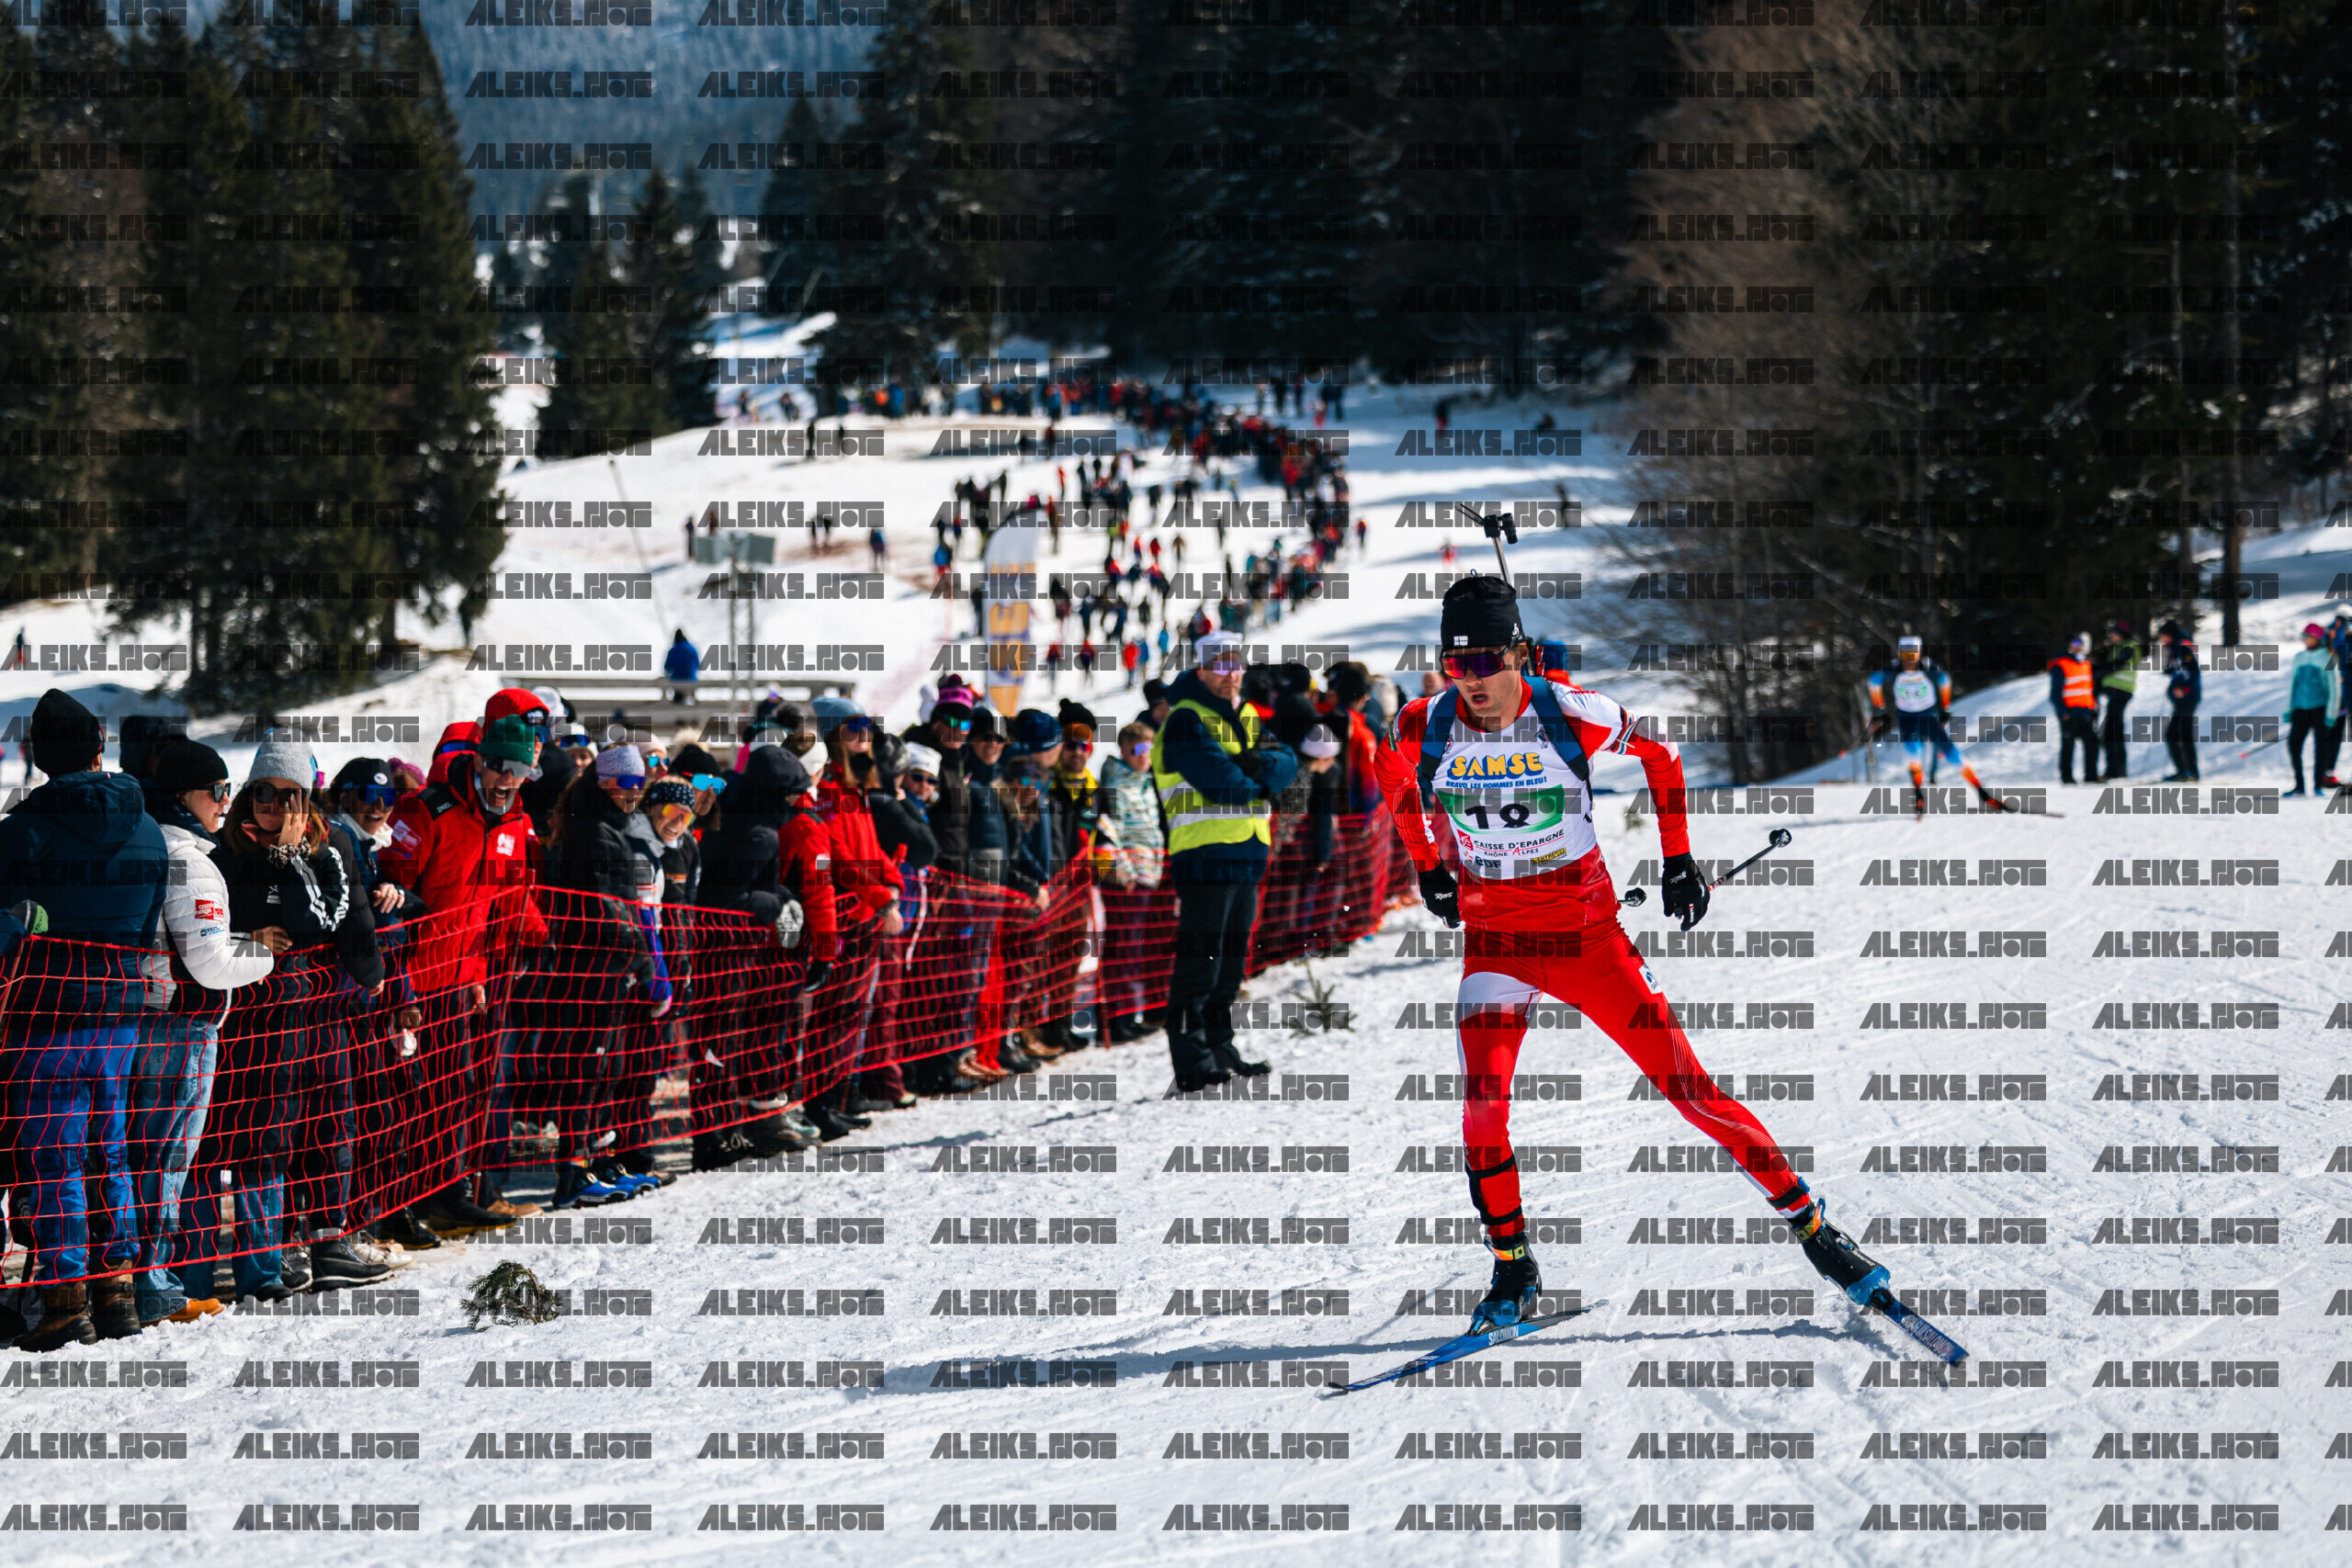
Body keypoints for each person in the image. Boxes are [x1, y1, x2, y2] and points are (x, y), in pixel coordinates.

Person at [1372, 574, 1885, 1336]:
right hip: (1497, 943)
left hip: (1588, 941)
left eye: (1486, 660)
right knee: (1482, 1108)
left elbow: (1662, 752)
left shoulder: (1565, 711)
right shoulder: (1425, 724)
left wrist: (1678, 859)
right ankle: (1513, 1266)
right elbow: (1388, 771)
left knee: (1689, 1089)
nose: (1472, 679)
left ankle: (1815, 1227)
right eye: (1456, 663)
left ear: (1520, 653)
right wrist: (1427, 864)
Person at [0, 689, 170, 1348]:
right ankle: (116, 1291)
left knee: (56, 1157)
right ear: (100, 748)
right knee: (110, 1149)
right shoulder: (148, 827)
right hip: (121, 1013)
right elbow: (150, 922)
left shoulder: (22, 831)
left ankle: (66, 1299)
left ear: (39, 754)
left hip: (45, 1019)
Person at [205, 739, 392, 1297]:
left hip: (323, 1010)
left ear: (306, 799)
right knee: (267, 1134)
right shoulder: (225, 851)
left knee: (333, 1125)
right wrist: (248, 936)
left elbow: (333, 919)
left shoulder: (330, 844)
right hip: (258, 1016)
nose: (275, 804)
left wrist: (370, 970)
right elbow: (209, 932)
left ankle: (330, 1242)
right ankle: (275, 1249)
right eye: (264, 791)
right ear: (248, 793)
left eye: (289, 795)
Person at [380, 714, 549, 1235]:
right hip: (410, 981)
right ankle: (395, 1204)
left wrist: (480, 971)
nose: (507, 778)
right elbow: (392, 896)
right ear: (478, 759)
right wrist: (399, 981)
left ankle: (446, 1194)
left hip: (459, 981)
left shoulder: (512, 825)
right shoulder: (428, 809)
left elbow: (493, 906)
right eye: (498, 765)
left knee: (456, 1089)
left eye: (519, 770)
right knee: (405, 1094)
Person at [130, 741, 275, 1325]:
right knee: (167, 1157)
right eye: (217, 790)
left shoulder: (143, 842)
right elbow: (211, 964)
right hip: (183, 1029)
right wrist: (261, 955)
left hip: (138, 1023)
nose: (225, 802)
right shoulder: (188, 861)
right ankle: (155, 1284)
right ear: (185, 795)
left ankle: (130, 1281)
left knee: (133, 1155)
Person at [1150, 632, 1299, 1091]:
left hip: (1246, 852)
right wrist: (1261, 776)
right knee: (1201, 963)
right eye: (1219, 664)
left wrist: (1258, 768)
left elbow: (1289, 763)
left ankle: (1220, 1046)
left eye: (1236, 663)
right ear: (1201, 670)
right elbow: (1222, 784)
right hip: (1204, 853)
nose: (1230, 673)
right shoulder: (1185, 718)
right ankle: (1192, 1060)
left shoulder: (1247, 714)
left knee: (1230, 964)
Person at [1865, 635, 2007, 815]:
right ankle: (1918, 794)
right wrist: (1880, 708)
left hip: (1928, 717)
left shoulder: (1927, 666)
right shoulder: (1894, 668)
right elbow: (1873, 681)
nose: (1909, 659)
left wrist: (1945, 708)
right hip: (1907, 718)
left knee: (1952, 754)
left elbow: (1944, 681)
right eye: (1905, 654)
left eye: (1912, 654)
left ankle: (1983, 794)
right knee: (1913, 751)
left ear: (1919, 653)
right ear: (1900, 654)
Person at [2283, 622, 2343, 797]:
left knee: (2321, 748)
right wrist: (2289, 709)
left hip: (2320, 709)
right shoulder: (2299, 657)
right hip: (2300, 709)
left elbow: (2334, 689)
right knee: (2294, 745)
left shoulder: (2328, 658)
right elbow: (2293, 685)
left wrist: (2331, 714)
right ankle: (2299, 785)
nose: (2304, 639)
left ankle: (2318, 785)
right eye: (2303, 636)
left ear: (2316, 638)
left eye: (2307, 636)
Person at [2047, 633, 2101, 784]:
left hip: (2085, 712)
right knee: (2068, 745)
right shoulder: (2061, 664)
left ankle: (2091, 776)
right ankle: (2067, 777)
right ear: (2069, 645)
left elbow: (2088, 688)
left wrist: (2093, 707)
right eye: (2075, 643)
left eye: (2081, 643)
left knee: (2092, 742)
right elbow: (2055, 692)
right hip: (2069, 712)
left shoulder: (2085, 664)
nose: (2079, 646)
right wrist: (2063, 711)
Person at [2097, 619, 2141, 782]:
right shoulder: (2120, 647)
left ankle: (2114, 771)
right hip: (2118, 691)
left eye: (2114, 633)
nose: (2112, 636)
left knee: (2111, 732)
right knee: (2116, 731)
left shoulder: (2128, 646)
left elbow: (2117, 664)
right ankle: (2119, 770)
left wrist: (2102, 673)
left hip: (2120, 691)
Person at [2157, 621, 2201, 783]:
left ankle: (2184, 771)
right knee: (2183, 734)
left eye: (2163, 635)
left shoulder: (2182, 648)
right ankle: (2190, 772)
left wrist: (2185, 689)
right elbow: (2181, 670)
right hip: (2184, 699)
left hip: (2187, 698)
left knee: (2173, 734)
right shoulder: (2176, 649)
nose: (2162, 639)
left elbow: (2193, 671)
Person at [664, 629, 700, 706]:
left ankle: (679, 712)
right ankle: (694, 712)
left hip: (678, 683)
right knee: (692, 701)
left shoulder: (673, 650)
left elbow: (667, 667)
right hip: (691, 681)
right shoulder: (692, 649)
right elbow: (698, 665)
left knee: (677, 703)